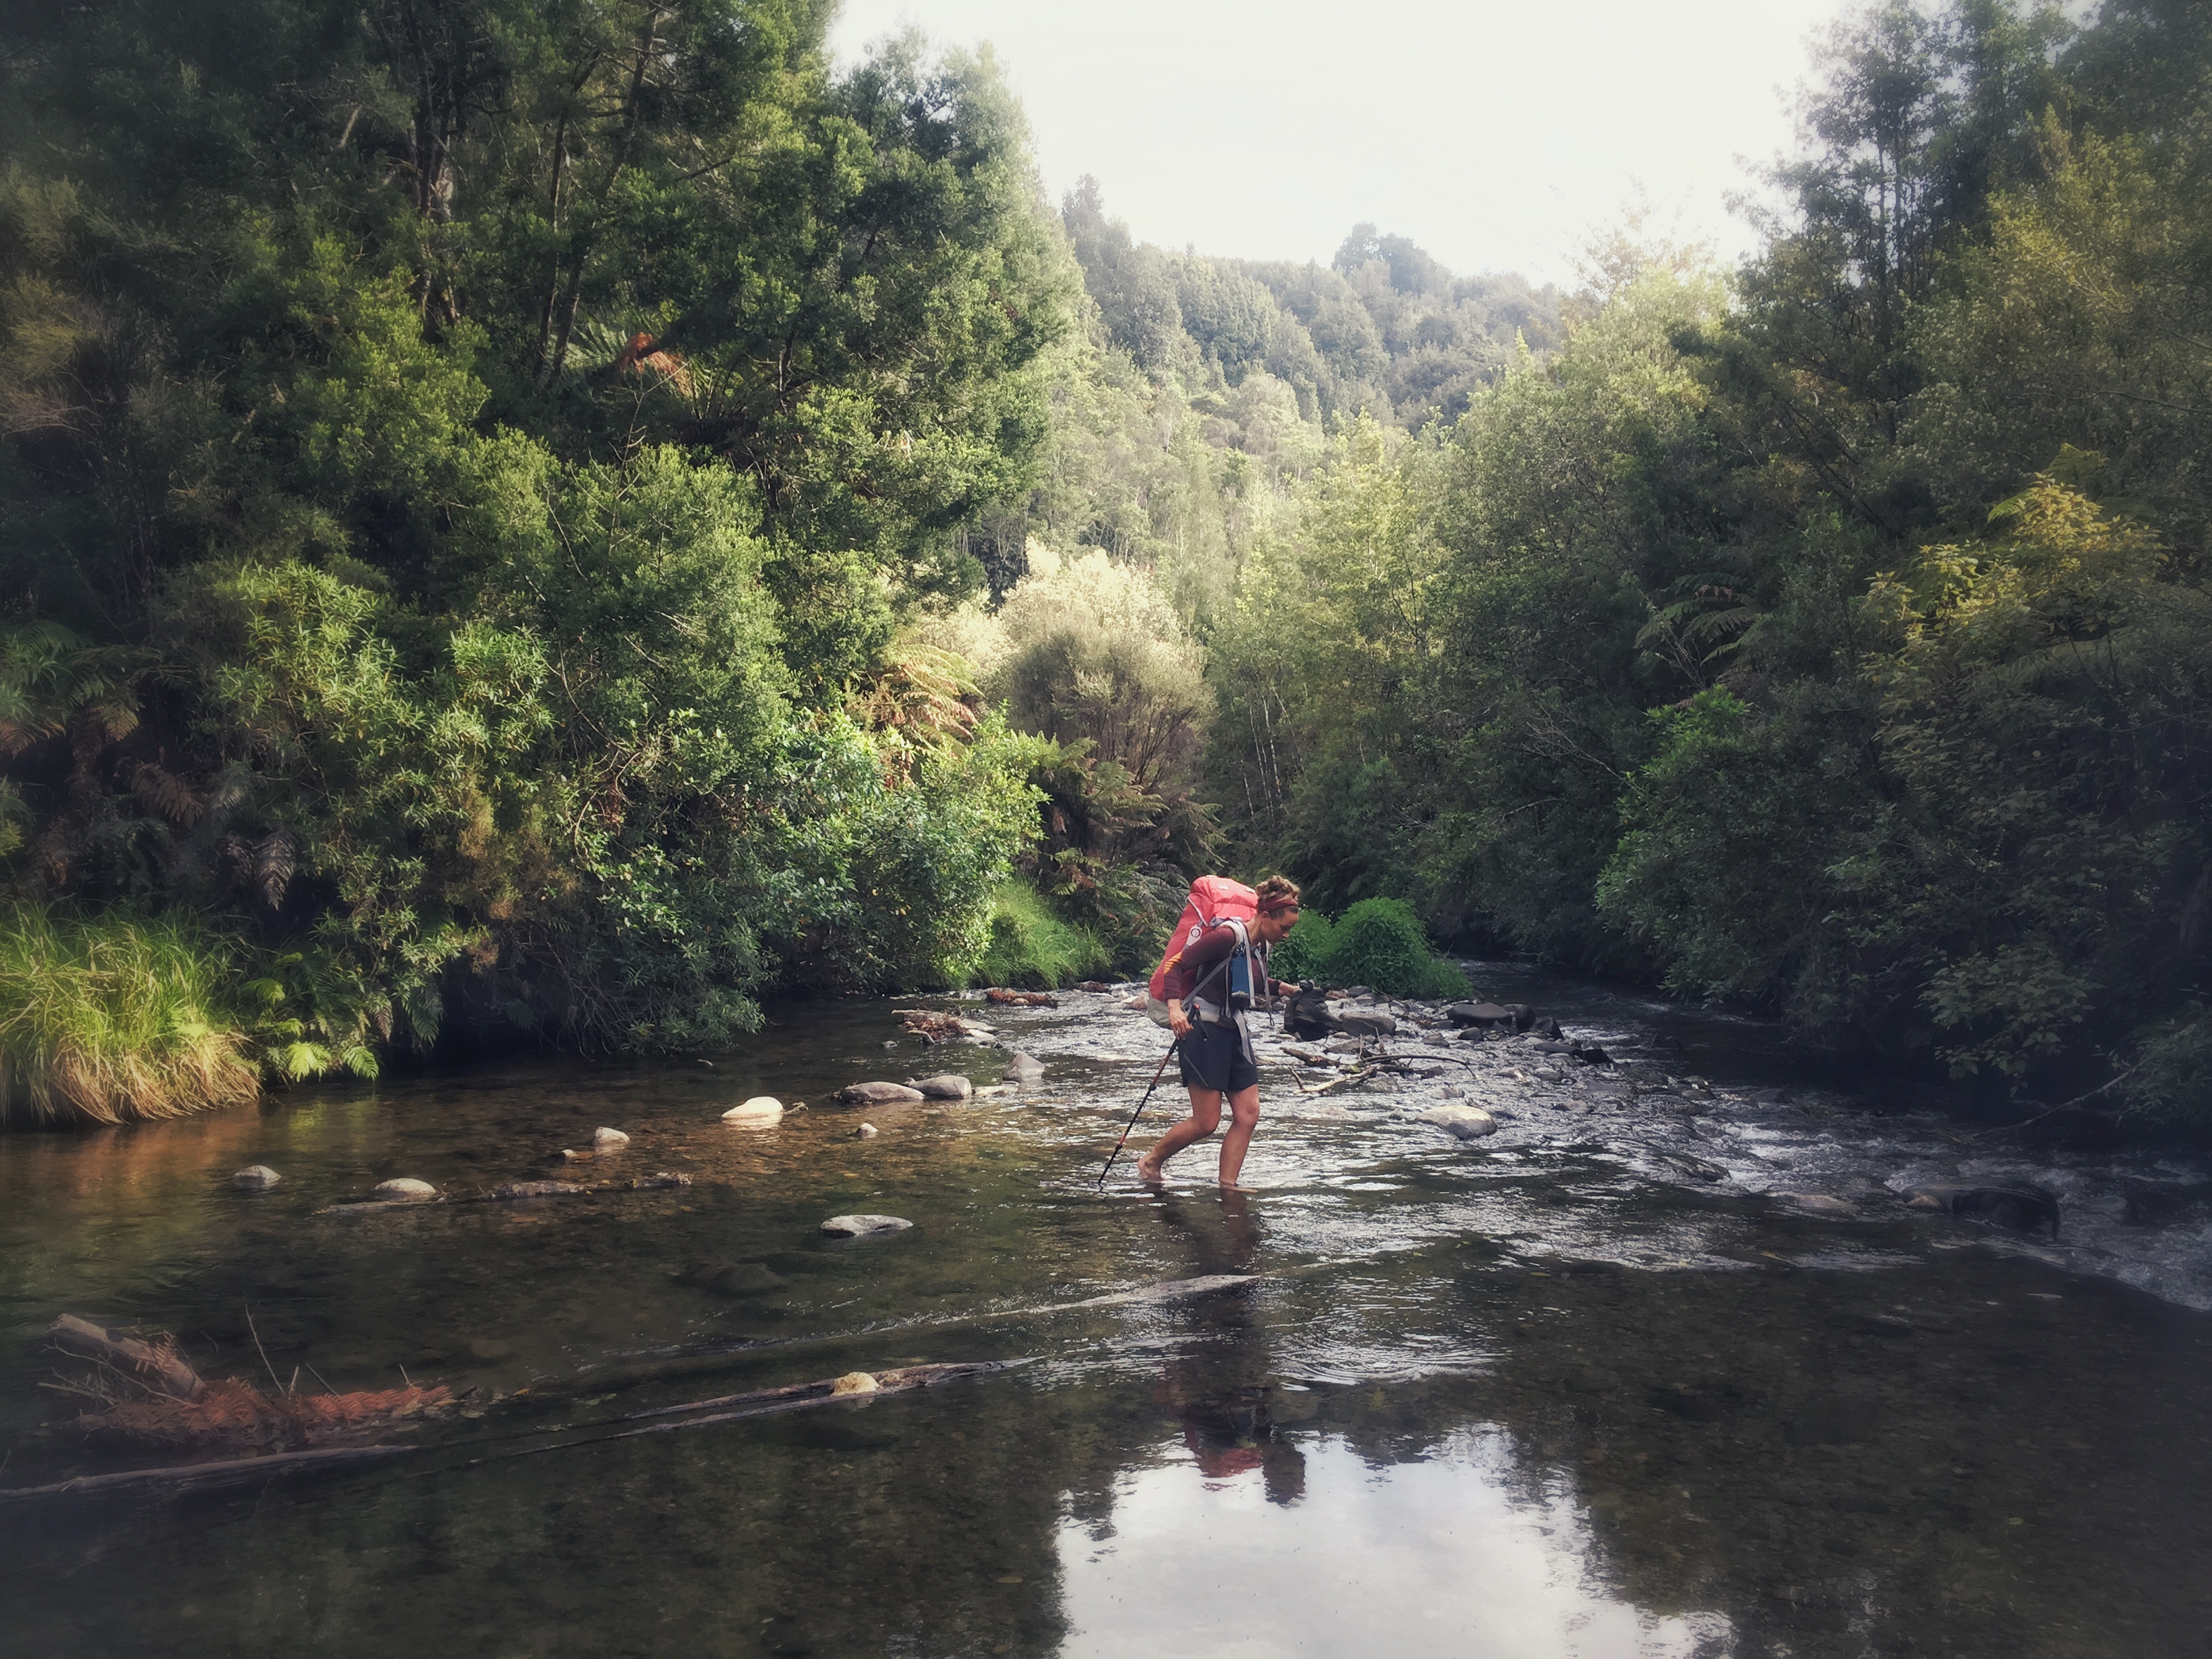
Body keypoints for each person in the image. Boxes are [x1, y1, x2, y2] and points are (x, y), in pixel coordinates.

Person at [1136, 876, 1304, 1187]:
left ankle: (1228, 1187)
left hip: (1234, 1031)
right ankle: (1151, 1161)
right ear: (1265, 916)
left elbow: (1245, 984)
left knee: (1248, 1114)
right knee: (1206, 1122)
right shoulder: (1227, 937)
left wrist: (1286, 989)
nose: (1287, 935)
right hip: (1202, 1029)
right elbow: (1176, 965)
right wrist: (1174, 1008)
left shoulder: (1257, 948)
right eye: (1285, 927)